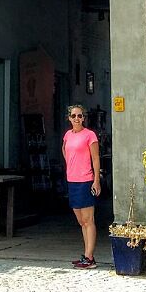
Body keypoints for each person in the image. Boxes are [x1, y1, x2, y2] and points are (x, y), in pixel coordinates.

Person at [62, 103, 101, 269]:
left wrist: (96, 180)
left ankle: (89, 257)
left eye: (79, 115)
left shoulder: (90, 135)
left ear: (84, 118)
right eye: (73, 116)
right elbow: (64, 150)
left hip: (85, 181)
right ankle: (87, 255)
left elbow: (96, 158)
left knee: (88, 220)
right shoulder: (67, 135)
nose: (76, 118)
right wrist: (71, 165)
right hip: (72, 180)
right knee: (81, 221)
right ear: (69, 118)